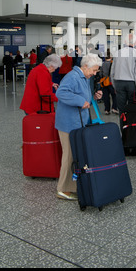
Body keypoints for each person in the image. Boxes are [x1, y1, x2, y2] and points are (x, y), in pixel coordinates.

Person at [55, 53, 103, 201]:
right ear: (85, 66)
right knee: (68, 156)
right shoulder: (73, 76)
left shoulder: (84, 77)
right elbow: (61, 92)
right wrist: (79, 101)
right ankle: (62, 189)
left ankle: (72, 186)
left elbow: (83, 97)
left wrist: (93, 97)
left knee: (74, 156)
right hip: (68, 124)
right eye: (94, 70)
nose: (95, 73)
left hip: (78, 122)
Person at [111, 33, 136, 115]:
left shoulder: (117, 53)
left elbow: (112, 71)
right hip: (131, 83)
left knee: (121, 109)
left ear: (125, 42)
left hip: (118, 82)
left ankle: (123, 125)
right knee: (132, 107)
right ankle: (131, 126)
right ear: (135, 42)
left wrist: (114, 85)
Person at [100, 50, 118, 115]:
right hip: (112, 82)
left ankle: (107, 110)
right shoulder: (113, 64)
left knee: (106, 97)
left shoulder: (103, 64)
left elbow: (100, 73)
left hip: (105, 82)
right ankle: (114, 108)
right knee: (114, 95)